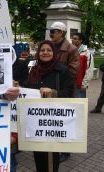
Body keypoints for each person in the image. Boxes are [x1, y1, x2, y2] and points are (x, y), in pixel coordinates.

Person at [26, 40, 74, 172]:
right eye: (42, 50)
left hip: (54, 121)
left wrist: (53, 92)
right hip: (37, 122)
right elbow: (28, 89)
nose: (45, 52)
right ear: (38, 53)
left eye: (49, 50)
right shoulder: (33, 70)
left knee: (52, 157)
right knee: (38, 155)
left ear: (54, 53)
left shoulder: (62, 70)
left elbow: (69, 92)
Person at [49, 21, 79, 162]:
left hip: (64, 90)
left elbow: (73, 71)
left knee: (64, 121)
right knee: (51, 119)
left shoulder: (72, 49)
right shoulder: (49, 46)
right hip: (50, 89)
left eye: (54, 31)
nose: (51, 33)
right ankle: (52, 145)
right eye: (51, 30)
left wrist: (55, 69)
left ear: (61, 32)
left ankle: (66, 151)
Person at [72, 32, 94, 98]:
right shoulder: (71, 51)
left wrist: (84, 84)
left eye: (75, 39)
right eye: (72, 38)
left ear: (80, 41)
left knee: (80, 104)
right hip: (70, 83)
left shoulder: (86, 53)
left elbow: (89, 69)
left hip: (80, 84)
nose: (73, 40)